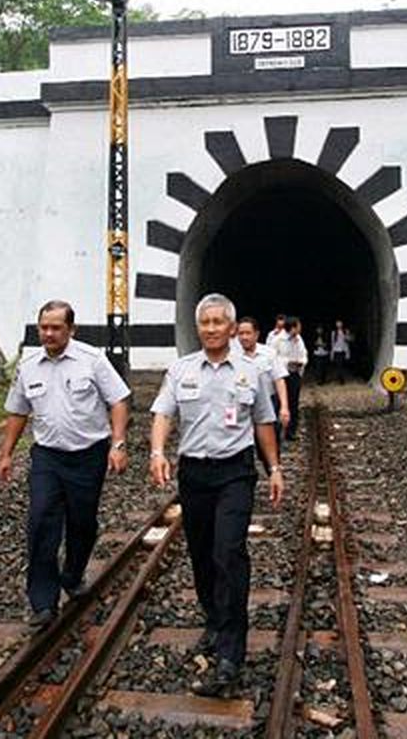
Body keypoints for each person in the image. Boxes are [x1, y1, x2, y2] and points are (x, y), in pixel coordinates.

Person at [149, 293, 284, 698]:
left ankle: (231, 651)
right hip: (194, 473)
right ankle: (214, 617)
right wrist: (157, 452)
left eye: (217, 322)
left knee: (229, 552)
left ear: (231, 327)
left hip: (235, 472)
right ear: (198, 327)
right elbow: (163, 413)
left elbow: (263, 421)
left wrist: (274, 468)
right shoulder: (181, 369)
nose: (210, 329)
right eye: (204, 322)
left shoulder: (251, 371)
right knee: (203, 554)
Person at [0, 300, 131, 628]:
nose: (49, 333)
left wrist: (118, 443)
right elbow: (18, 411)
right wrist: (6, 454)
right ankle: (43, 601)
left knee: (82, 523)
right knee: (41, 521)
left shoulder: (92, 360)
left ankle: (72, 575)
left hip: (88, 455)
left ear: (71, 330)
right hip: (48, 457)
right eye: (44, 327)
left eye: (56, 327)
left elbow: (118, 400)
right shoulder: (29, 366)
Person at [236, 316, 292, 464]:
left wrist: (284, 407)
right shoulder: (232, 355)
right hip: (242, 403)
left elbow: (279, 380)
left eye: (248, 333)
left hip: (268, 402)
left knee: (268, 445)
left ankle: (273, 471)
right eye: (241, 333)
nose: (244, 337)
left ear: (256, 334)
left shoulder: (269, 354)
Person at [276, 317, 308, 439]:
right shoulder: (278, 340)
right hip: (282, 375)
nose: (300, 328)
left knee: (294, 403)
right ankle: (278, 430)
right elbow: (273, 357)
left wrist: (301, 362)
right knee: (281, 403)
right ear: (293, 327)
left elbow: (304, 353)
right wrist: (287, 362)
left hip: (295, 374)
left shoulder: (299, 339)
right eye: (298, 326)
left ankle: (291, 431)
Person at [329, 319, 352, 384]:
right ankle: (340, 378)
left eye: (340, 323)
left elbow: (348, 341)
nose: (339, 324)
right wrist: (332, 353)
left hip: (343, 350)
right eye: (337, 323)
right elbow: (332, 343)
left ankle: (341, 378)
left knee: (341, 365)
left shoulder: (345, 331)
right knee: (338, 365)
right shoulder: (334, 332)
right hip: (336, 350)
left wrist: (348, 352)